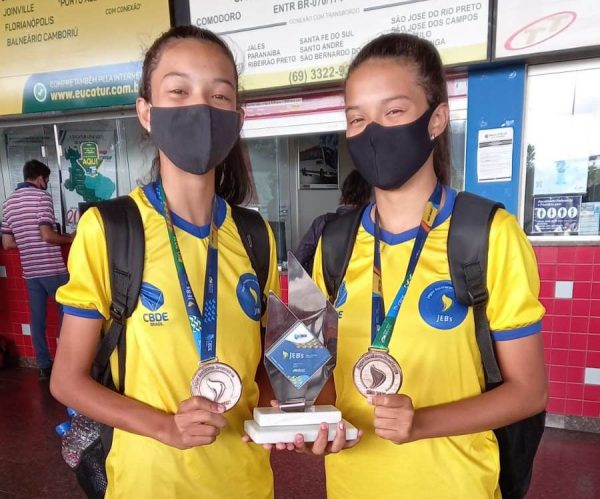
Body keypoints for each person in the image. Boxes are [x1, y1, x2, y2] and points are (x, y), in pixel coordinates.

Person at [286, 33, 547, 498]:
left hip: (457, 485)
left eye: (394, 111)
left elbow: (529, 391)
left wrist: (421, 422)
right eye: (357, 118)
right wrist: (316, 422)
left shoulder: (487, 235)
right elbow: (315, 371)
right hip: (353, 484)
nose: (373, 131)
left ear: (436, 119)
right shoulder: (335, 242)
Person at [50, 26, 279, 498]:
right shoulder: (110, 229)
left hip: (245, 482)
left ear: (237, 118)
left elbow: (261, 366)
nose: (200, 107)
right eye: (179, 91)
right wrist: (165, 427)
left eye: (219, 95)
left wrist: (283, 412)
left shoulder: (255, 235)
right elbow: (67, 381)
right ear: (146, 112)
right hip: (149, 483)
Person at [1, 160, 73, 379]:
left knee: (37, 320)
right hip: (52, 269)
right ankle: (66, 364)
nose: (46, 184)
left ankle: (44, 366)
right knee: (69, 314)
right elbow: (47, 235)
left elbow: (7, 243)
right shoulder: (42, 198)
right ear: (41, 178)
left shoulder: (8, 203)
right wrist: (70, 238)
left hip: (31, 272)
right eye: (46, 180)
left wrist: (27, 242)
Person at [294, 170, 371, 274]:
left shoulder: (322, 222)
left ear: (343, 192)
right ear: (368, 196)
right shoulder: (371, 227)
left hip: (324, 282)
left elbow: (298, 260)